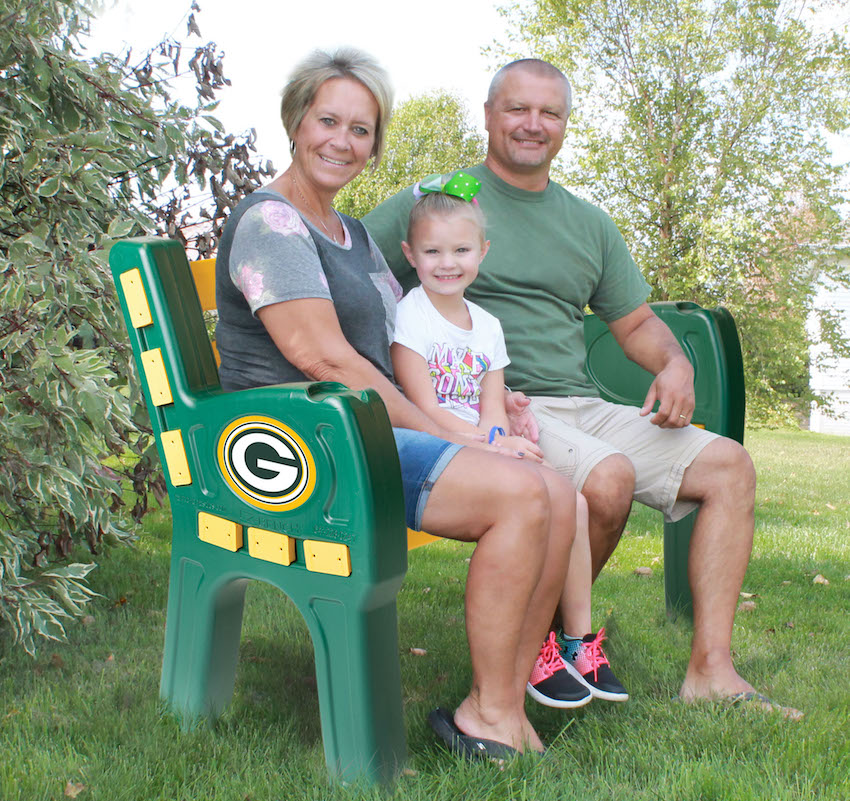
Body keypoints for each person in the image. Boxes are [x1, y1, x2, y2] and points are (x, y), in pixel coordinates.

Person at [364, 58, 802, 719]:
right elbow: (351, 269)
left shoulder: (588, 222)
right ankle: (543, 648)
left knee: (729, 467)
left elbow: (635, 323)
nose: (532, 124)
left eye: (550, 113)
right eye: (517, 109)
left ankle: (711, 670)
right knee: (607, 479)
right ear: (488, 116)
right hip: (500, 405)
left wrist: (674, 365)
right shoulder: (442, 202)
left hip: (583, 401)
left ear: (566, 126)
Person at [214, 46, 583, 759]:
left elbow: (405, 345)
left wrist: (494, 407)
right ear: (296, 121)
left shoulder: (350, 234)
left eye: (361, 129)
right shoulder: (272, 223)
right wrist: (461, 438)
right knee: (519, 495)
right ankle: (494, 713)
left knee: (558, 493)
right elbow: (323, 357)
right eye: (329, 120)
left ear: (375, 144)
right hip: (301, 444)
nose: (342, 141)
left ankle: (497, 703)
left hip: (361, 430)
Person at [391, 179, 627, 707]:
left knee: (575, 499)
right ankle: (532, 648)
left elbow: (492, 404)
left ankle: (576, 641)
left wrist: (502, 438)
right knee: (540, 497)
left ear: (483, 253)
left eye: (461, 250)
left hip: (482, 444)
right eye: (432, 251)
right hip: (439, 443)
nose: (446, 263)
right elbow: (422, 405)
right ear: (410, 254)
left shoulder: (489, 326)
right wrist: (489, 446)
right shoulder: (412, 314)